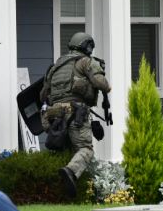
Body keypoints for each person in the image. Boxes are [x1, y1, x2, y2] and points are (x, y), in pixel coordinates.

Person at [40, 32, 111, 197]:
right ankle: (70, 171)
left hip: (54, 115)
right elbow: (102, 85)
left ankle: (60, 193)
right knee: (85, 149)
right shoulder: (85, 62)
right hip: (76, 112)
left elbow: (43, 95)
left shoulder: (56, 66)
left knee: (63, 152)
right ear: (87, 46)